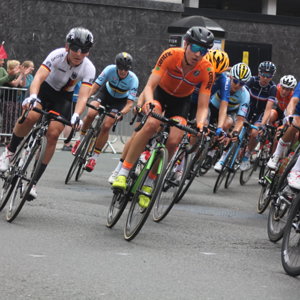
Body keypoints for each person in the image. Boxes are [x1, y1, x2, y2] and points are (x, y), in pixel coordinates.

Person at [112, 26, 215, 208]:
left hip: (181, 103)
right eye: (196, 48)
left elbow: (203, 105)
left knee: (175, 139)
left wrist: (200, 123)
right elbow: (150, 85)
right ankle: (123, 171)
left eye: (204, 51)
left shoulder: (207, 70)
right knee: (152, 123)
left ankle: (150, 183)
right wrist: (149, 102)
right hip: (160, 94)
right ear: (186, 44)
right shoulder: (170, 55)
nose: (199, 54)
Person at [0, 27, 96, 199]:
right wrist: (33, 96)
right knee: (31, 115)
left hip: (63, 99)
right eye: (75, 48)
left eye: (84, 50)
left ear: (88, 52)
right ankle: (10, 151)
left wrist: (77, 115)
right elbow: (38, 78)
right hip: (44, 91)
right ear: (67, 46)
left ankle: (32, 182)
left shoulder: (89, 68)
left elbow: (83, 96)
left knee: (53, 133)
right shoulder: (57, 55)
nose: (79, 53)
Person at [71, 52, 139, 172]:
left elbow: (129, 104)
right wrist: (86, 98)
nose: (123, 71)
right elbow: (95, 86)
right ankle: (80, 139)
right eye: (120, 68)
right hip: (105, 94)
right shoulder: (109, 69)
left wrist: (121, 113)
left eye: (125, 69)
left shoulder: (133, 79)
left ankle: (94, 158)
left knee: (107, 125)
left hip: (119, 101)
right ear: (116, 66)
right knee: (91, 113)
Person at [213, 62, 251, 171]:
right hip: (214, 106)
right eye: (235, 81)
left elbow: (240, 119)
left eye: (242, 83)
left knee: (228, 124)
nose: (237, 85)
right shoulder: (223, 80)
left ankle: (216, 153)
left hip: (230, 112)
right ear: (230, 77)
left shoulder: (245, 95)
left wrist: (236, 131)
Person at [240, 61, 277, 171]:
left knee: (255, 132)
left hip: (261, 112)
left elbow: (268, 109)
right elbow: (243, 95)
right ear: (259, 73)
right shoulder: (252, 80)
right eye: (263, 75)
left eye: (268, 76)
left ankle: (247, 155)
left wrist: (262, 124)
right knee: (239, 126)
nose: (265, 78)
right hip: (248, 107)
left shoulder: (272, 88)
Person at [267, 82, 300, 189]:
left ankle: (294, 168)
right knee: (295, 125)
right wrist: (290, 116)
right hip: (297, 113)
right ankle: (276, 154)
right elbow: (293, 101)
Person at [61, 81, 81, 151]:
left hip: (74, 98)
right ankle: (67, 143)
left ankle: (67, 142)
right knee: (69, 121)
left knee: (69, 121)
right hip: (72, 98)